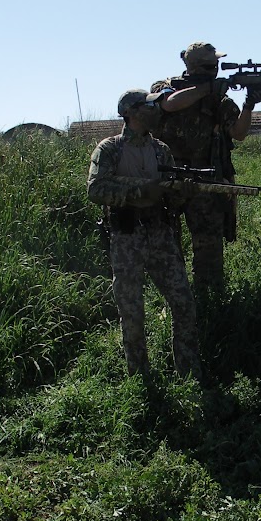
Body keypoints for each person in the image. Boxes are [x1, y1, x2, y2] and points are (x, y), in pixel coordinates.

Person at [87, 86, 216, 379]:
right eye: (148, 106)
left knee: (184, 303)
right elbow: (96, 190)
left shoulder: (161, 150)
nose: (155, 111)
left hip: (160, 234)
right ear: (130, 112)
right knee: (132, 313)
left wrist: (182, 193)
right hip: (126, 236)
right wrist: (142, 189)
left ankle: (188, 372)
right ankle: (141, 379)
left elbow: (172, 197)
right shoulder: (109, 149)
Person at [151, 42, 261, 292]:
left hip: (205, 183)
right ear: (196, 66)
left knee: (209, 253)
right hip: (166, 183)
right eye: (210, 66)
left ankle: (209, 303)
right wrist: (207, 89)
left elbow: (239, 133)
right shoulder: (164, 86)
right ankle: (177, 302)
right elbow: (169, 103)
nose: (215, 70)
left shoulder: (219, 99)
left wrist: (249, 105)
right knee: (168, 251)